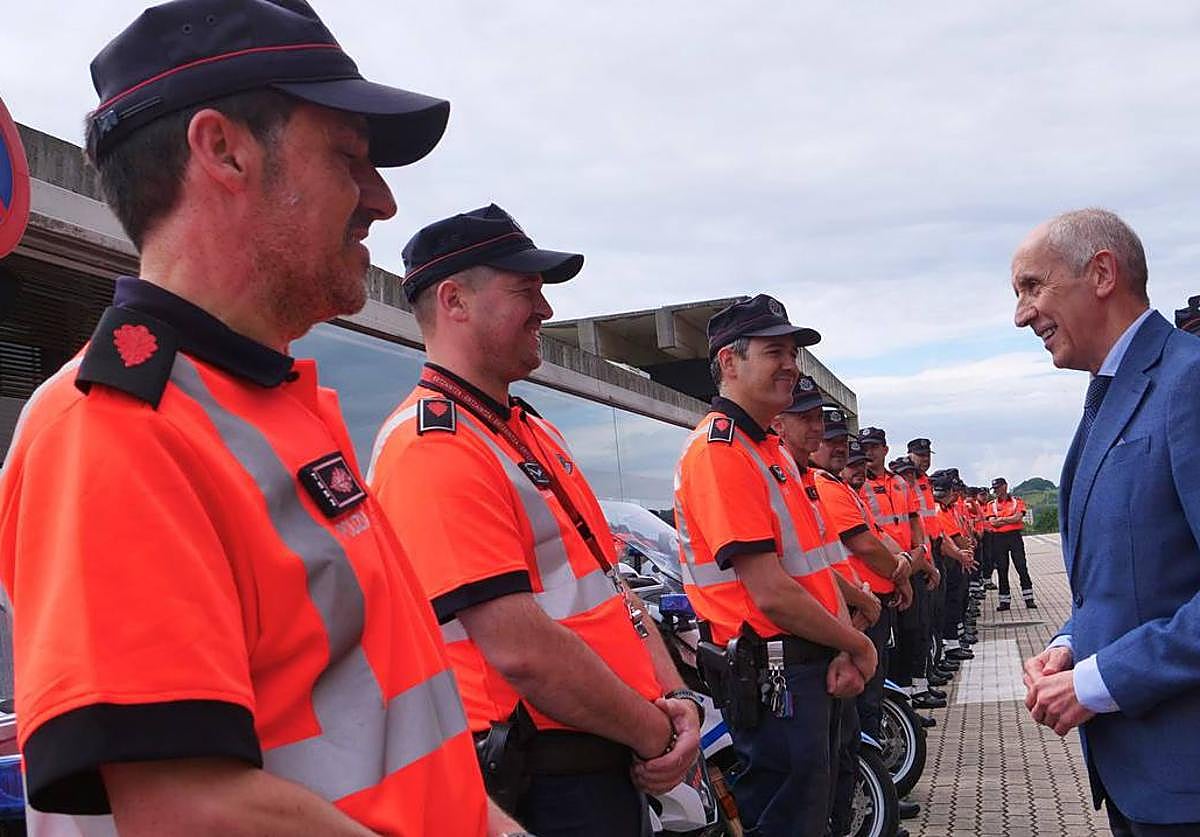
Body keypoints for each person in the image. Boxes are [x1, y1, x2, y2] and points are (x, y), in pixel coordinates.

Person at [0, 2, 531, 835]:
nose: (382, 201)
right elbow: (189, 808)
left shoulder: (276, 408)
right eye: (350, 157)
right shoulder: (112, 427)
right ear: (222, 150)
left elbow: (391, 739)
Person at [367, 205, 700, 836]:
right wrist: (655, 730)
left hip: (604, 758)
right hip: (542, 784)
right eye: (526, 291)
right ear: (455, 300)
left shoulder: (528, 429)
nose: (545, 311)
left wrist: (674, 697)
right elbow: (521, 651)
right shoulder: (432, 446)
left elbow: (612, 586)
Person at [1015, 209, 1200, 834]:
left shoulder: (1189, 382)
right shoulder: (1114, 392)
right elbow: (1125, 579)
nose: (1021, 315)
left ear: (1101, 273)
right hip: (1140, 777)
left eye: (1033, 287)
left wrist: (1099, 680)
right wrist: (1070, 644)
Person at [674, 295, 875, 837]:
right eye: (773, 351)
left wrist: (838, 642)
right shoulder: (721, 451)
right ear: (729, 363)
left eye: (793, 351)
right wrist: (855, 644)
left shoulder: (766, 449)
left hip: (806, 667)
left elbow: (806, 569)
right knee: (788, 820)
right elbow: (770, 591)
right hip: (775, 675)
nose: (790, 364)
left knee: (817, 813)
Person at [858, 428, 942, 709]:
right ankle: (901, 701)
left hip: (911, 563)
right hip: (885, 568)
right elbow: (873, 533)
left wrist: (921, 557)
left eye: (874, 447)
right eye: (864, 447)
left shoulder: (899, 483)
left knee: (916, 629)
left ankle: (915, 691)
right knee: (893, 641)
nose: (868, 452)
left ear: (885, 449)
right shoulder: (860, 486)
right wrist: (902, 561)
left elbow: (915, 521)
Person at [987, 477, 1036, 610]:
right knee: (1002, 569)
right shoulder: (991, 504)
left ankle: (1029, 599)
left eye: (998, 488)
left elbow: (1018, 518)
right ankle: (1004, 601)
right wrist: (1009, 519)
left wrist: (1001, 520)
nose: (996, 491)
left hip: (1014, 537)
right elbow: (992, 522)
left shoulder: (1017, 501)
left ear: (1005, 486)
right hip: (998, 539)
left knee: (1021, 567)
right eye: (994, 489)